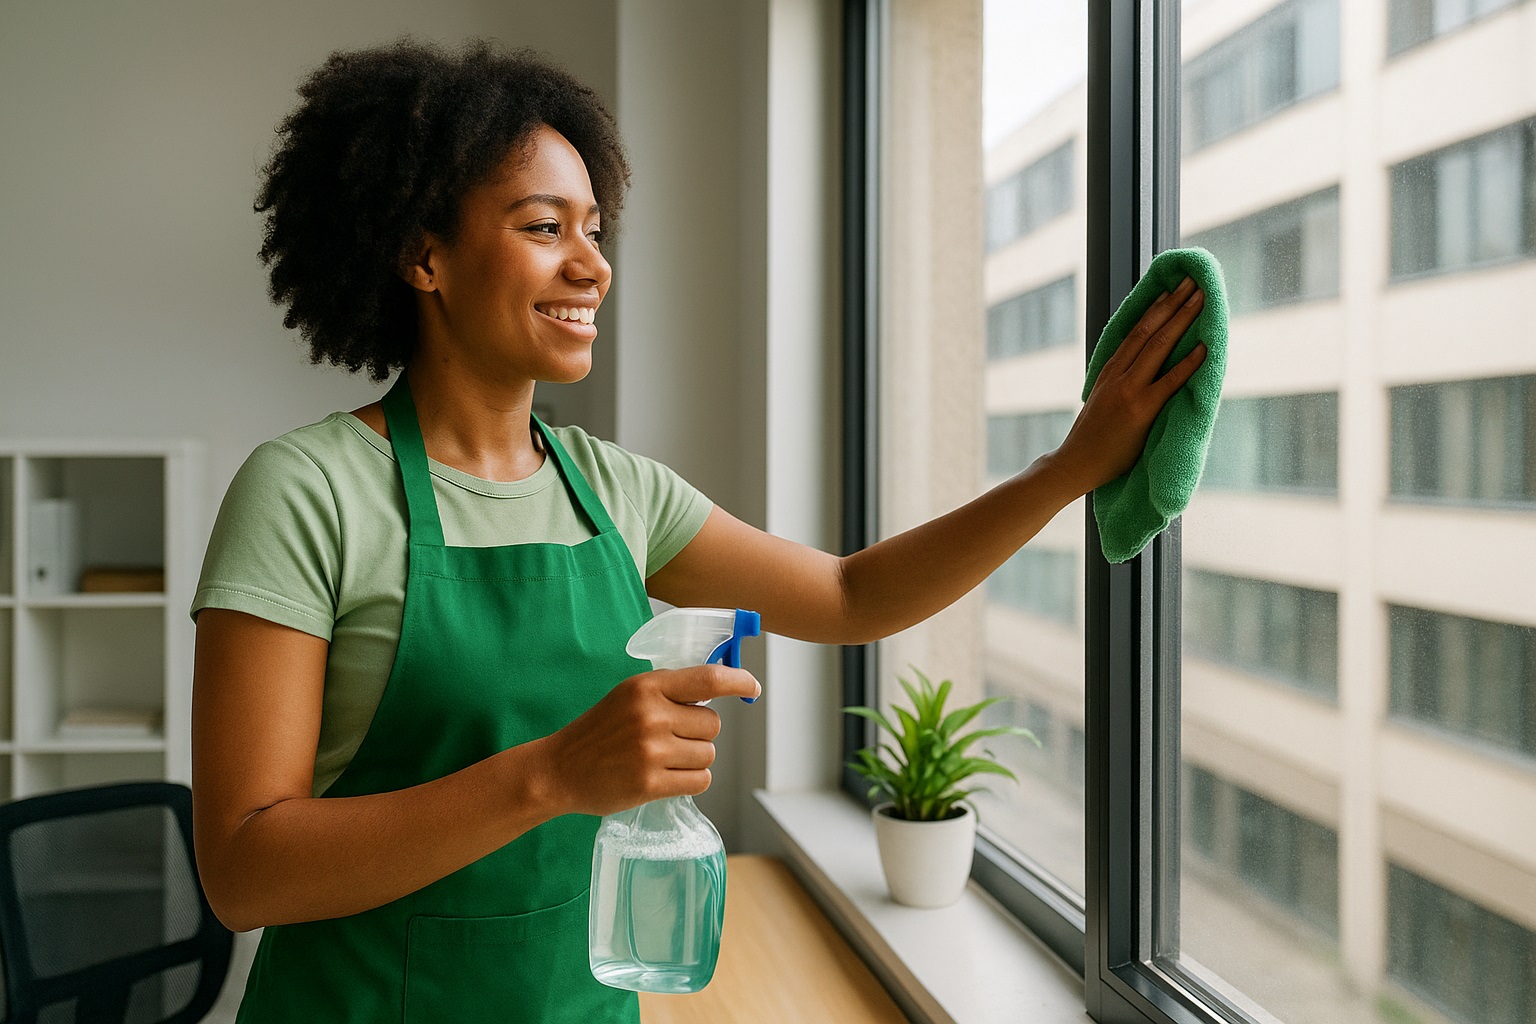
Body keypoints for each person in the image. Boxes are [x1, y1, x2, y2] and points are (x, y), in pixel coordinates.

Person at [190, 38, 1206, 1023]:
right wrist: (553, 773)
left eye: (596, 230)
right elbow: (242, 868)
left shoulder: (615, 492)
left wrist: (1068, 468)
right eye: (545, 227)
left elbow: (852, 596)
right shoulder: (306, 492)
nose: (593, 266)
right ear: (424, 255)